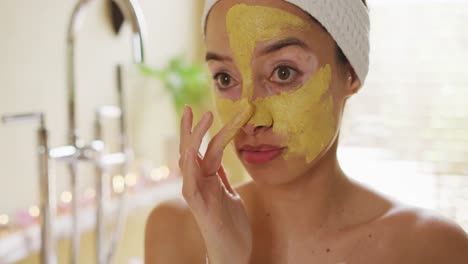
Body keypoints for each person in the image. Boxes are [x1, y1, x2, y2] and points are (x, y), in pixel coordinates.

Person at [145, 0, 468, 263]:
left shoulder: (431, 248)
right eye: (225, 79)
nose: (250, 119)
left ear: (351, 74)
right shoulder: (177, 230)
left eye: (283, 73)